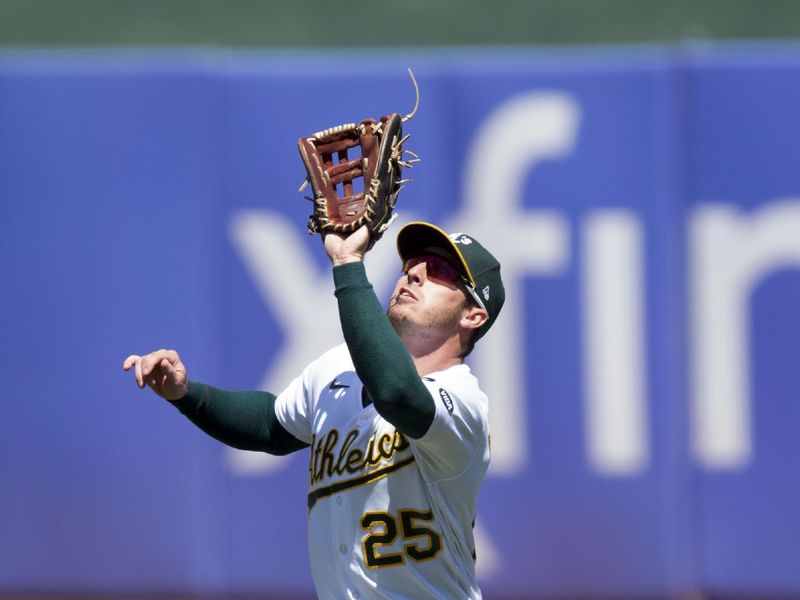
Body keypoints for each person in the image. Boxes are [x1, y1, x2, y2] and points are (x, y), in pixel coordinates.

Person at [123, 221, 505, 600]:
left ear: (472, 315)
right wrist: (187, 393)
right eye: (412, 265)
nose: (414, 274)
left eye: (439, 271)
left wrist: (348, 264)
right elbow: (270, 425)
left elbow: (397, 394)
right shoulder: (337, 368)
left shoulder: (463, 402)